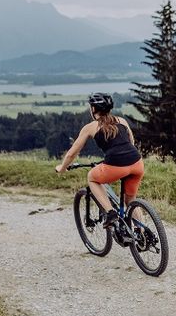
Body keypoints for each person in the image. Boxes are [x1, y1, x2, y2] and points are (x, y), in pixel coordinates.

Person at [55, 92, 143, 228]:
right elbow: (131, 141)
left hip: (116, 165)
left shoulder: (90, 127)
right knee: (130, 200)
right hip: (137, 163)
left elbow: (72, 154)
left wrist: (62, 168)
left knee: (92, 177)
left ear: (93, 109)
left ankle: (110, 213)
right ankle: (142, 234)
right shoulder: (122, 121)